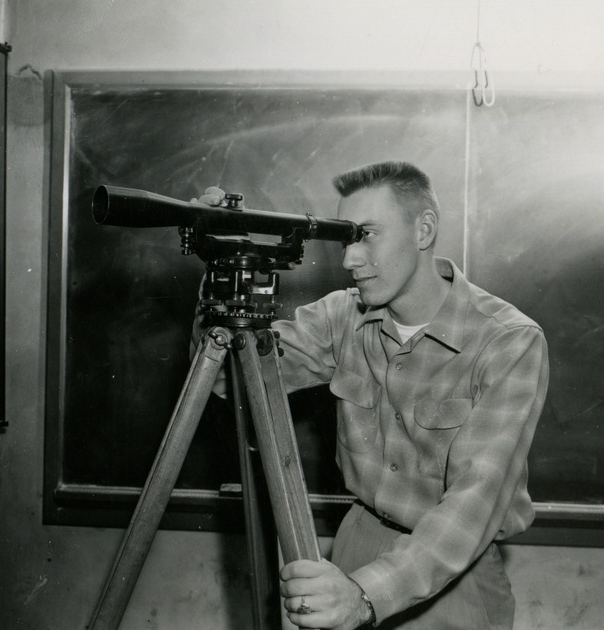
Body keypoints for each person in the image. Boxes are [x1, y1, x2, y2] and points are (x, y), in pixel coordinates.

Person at [196, 161, 549, 629]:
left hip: (452, 567)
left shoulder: (508, 341)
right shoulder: (341, 317)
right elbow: (228, 377)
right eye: (347, 239)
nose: (349, 259)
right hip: (354, 543)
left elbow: (475, 503)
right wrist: (219, 275)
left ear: (423, 230)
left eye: (367, 235)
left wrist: (364, 596)